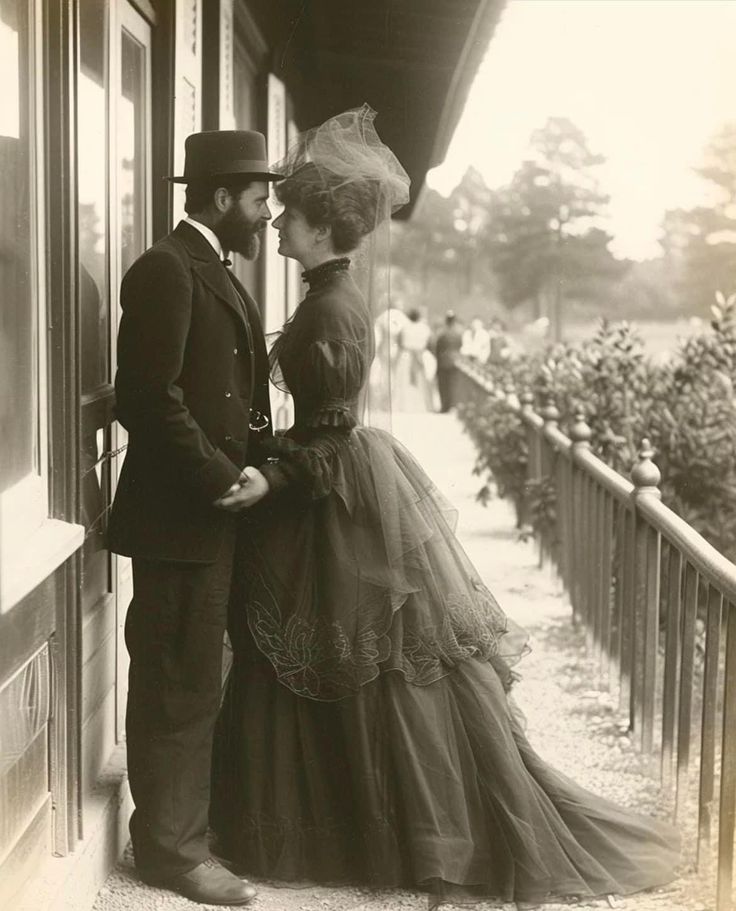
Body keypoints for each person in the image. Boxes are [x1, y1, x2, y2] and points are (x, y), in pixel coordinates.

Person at [209, 106, 679, 907]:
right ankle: (384, 826)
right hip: (343, 478)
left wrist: (269, 477)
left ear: (325, 230)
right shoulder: (334, 297)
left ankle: (436, 841)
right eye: (277, 212)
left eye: (291, 216)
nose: (280, 225)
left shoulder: (331, 310)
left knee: (383, 665)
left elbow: (323, 442)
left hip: (333, 489)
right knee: (368, 663)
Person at [108, 130, 284, 906]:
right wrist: (222, 478)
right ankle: (170, 853)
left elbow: (225, 393)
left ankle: (182, 834)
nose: (265, 211)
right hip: (179, 516)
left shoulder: (208, 267)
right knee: (177, 679)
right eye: (257, 197)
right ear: (220, 197)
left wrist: (262, 466)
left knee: (193, 675)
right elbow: (147, 397)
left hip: (206, 513)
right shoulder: (166, 268)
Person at [394, 307, 436, 411]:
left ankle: (404, 406)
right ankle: (421, 407)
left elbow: (399, 342)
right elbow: (430, 343)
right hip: (419, 355)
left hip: (406, 355)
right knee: (420, 381)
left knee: (405, 381)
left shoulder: (404, 327)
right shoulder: (425, 328)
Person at [434, 310, 464, 412]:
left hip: (443, 362)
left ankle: (444, 406)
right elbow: (461, 346)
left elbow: (437, 349)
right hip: (455, 362)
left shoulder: (442, 333)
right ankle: (452, 406)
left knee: (443, 385)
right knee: (453, 385)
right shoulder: (459, 333)